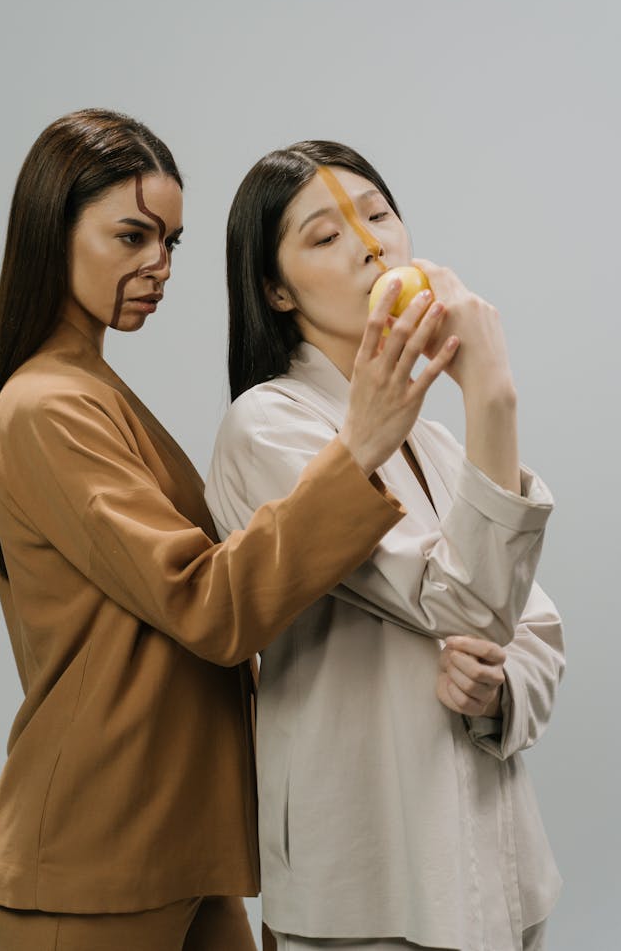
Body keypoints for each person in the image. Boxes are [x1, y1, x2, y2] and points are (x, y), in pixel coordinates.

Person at [0, 111, 459, 951]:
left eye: (171, 243)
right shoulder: (48, 406)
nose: (158, 264)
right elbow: (208, 604)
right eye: (132, 235)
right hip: (95, 858)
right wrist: (361, 448)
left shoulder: (91, 390)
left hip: (180, 845)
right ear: (55, 232)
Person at [205, 140, 564, 951]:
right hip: (367, 877)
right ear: (275, 288)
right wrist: (493, 392)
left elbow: (533, 627)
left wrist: (497, 686)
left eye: (378, 216)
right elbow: (471, 599)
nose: (371, 246)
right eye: (326, 236)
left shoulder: (435, 441)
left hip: (500, 861)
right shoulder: (267, 427)